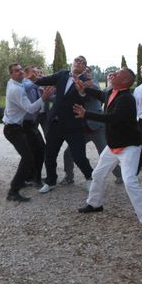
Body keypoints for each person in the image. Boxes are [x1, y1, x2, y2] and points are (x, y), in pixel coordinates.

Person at [73, 68, 142, 233]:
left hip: (129, 147)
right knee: (98, 174)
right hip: (113, 146)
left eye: (118, 74)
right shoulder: (113, 92)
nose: (113, 75)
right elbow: (101, 96)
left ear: (126, 82)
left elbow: (112, 118)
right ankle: (95, 204)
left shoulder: (126, 99)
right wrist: (84, 89)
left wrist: (86, 114)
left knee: (129, 181)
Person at [35, 55, 95, 193]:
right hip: (55, 123)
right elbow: (44, 80)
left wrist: (83, 91)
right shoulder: (62, 74)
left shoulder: (87, 81)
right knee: (49, 154)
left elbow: (87, 96)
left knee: (79, 155)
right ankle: (50, 181)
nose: (78, 63)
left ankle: (89, 178)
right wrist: (32, 78)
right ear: (72, 63)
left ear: (85, 67)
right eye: (76, 61)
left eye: (82, 62)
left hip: (74, 124)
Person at [2, 63, 53, 202]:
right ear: (11, 74)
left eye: (20, 70)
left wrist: (30, 78)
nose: (20, 72)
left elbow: (26, 84)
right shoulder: (16, 89)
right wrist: (44, 97)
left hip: (16, 127)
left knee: (30, 155)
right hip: (13, 129)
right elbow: (30, 109)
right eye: (16, 71)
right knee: (28, 157)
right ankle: (13, 191)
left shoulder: (14, 84)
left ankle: (20, 183)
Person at [62, 67, 122, 184]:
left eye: (87, 71)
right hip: (81, 128)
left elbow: (98, 91)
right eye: (83, 71)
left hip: (96, 127)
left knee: (105, 153)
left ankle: (120, 175)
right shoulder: (73, 85)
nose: (84, 73)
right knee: (68, 153)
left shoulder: (93, 84)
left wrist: (86, 83)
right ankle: (69, 177)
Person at [22, 65, 47, 187]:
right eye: (34, 72)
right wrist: (38, 80)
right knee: (38, 149)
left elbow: (46, 96)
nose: (37, 74)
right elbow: (28, 86)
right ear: (27, 73)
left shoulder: (34, 85)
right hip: (24, 123)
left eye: (38, 72)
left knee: (36, 149)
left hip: (31, 123)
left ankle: (30, 177)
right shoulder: (24, 83)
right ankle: (34, 179)